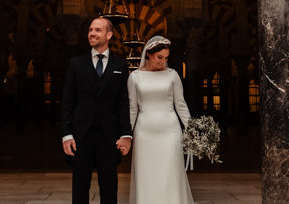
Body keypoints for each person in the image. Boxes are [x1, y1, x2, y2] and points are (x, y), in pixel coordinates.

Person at [61, 17, 132, 204]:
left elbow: (123, 102)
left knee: (109, 188)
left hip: (109, 137)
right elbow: (68, 101)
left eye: (97, 30)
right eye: (91, 29)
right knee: (80, 188)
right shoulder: (76, 64)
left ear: (109, 35)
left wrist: (126, 134)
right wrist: (66, 134)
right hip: (80, 136)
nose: (92, 33)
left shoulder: (120, 66)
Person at [127, 36, 193, 204]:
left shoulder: (173, 75)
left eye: (166, 58)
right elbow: (133, 109)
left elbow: (181, 105)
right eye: (159, 57)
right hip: (144, 133)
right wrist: (126, 134)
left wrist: (192, 129)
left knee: (170, 173)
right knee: (146, 174)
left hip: (170, 131)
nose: (163, 62)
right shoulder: (134, 77)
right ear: (148, 54)